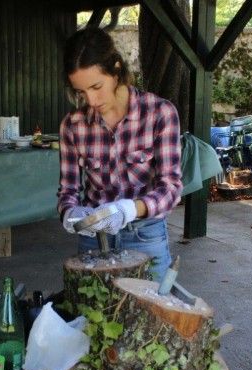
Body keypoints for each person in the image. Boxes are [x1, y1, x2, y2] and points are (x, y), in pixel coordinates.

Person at [57, 27, 183, 280]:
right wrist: (70, 213)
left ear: (116, 69)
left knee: (150, 314)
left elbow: (171, 188)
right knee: (93, 313)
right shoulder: (72, 125)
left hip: (144, 235)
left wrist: (130, 209)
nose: (91, 100)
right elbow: (68, 191)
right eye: (81, 92)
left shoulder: (160, 114)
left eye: (96, 86)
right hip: (93, 239)